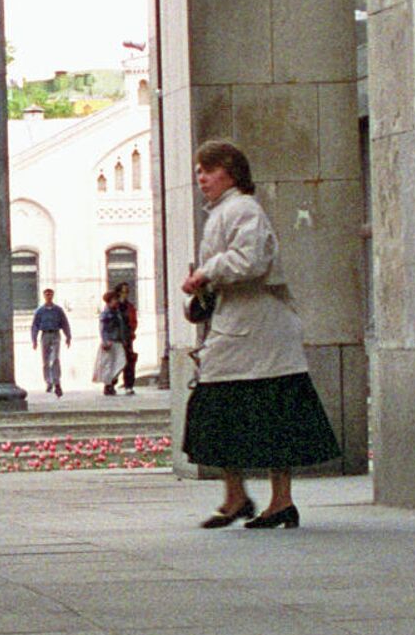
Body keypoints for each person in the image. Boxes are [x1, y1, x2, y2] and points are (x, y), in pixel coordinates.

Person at [179, 141, 340, 530]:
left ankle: (276, 499)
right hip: (240, 326)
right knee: (232, 409)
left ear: (231, 172)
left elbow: (251, 260)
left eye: (209, 169)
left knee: (264, 409)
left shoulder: (243, 209)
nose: (201, 177)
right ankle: (240, 497)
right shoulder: (225, 212)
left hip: (260, 329)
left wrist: (206, 273)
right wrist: (205, 293)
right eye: (199, 170)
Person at [29, 288, 70, 396]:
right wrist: (34, 340)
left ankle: (56, 380)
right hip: (45, 335)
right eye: (46, 294)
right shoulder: (40, 311)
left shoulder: (58, 310)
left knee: (55, 358)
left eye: (50, 294)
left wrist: (68, 336)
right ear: (44, 296)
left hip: (55, 334)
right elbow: (35, 326)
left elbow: (64, 323)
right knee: (45, 360)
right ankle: (48, 382)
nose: (48, 296)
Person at [95, 286, 130, 395]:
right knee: (108, 364)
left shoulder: (117, 312)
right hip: (110, 341)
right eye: (115, 299)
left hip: (118, 341)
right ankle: (108, 385)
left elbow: (122, 327)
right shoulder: (106, 314)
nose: (117, 301)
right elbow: (103, 329)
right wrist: (105, 341)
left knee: (120, 362)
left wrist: (124, 339)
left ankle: (112, 381)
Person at [115, 285, 142, 392]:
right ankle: (111, 384)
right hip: (116, 338)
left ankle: (129, 385)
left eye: (127, 292)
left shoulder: (129, 307)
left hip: (127, 338)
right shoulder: (114, 306)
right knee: (115, 362)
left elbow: (133, 321)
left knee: (129, 361)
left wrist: (131, 331)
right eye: (123, 292)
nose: (125, 294)